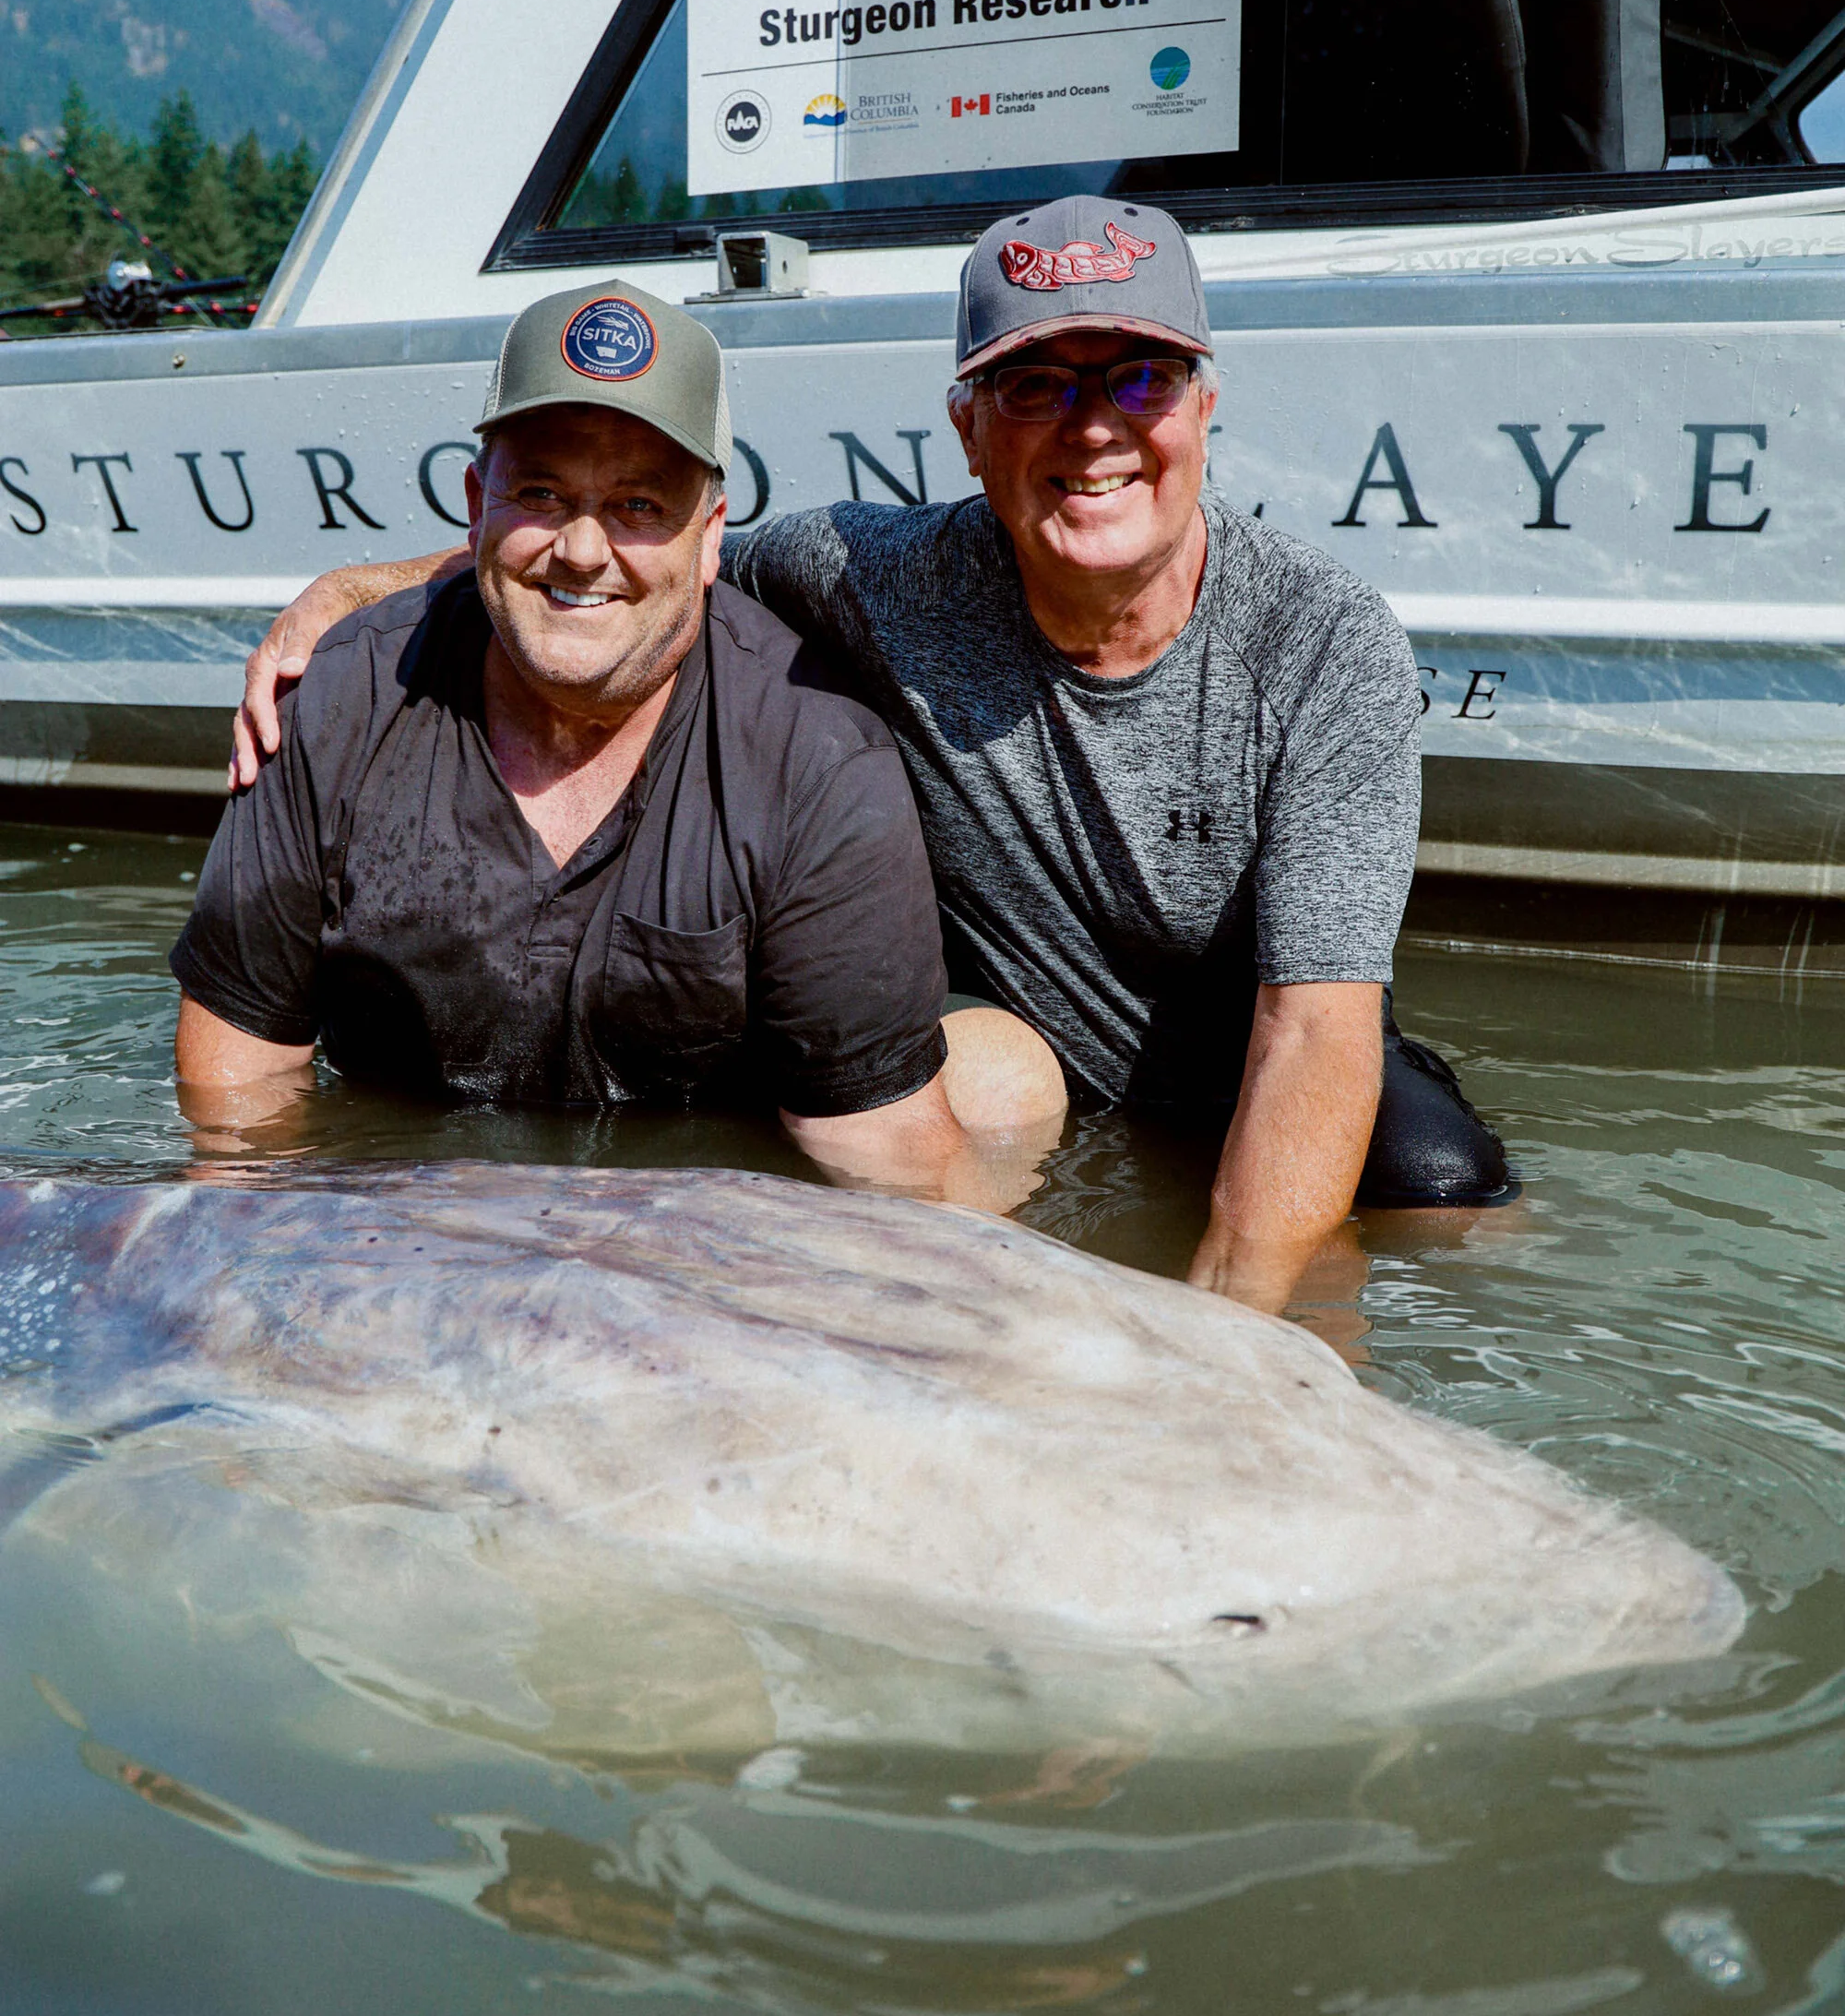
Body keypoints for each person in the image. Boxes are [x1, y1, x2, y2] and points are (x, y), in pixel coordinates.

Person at [232, 198, 1510, 1304]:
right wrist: (381, 589)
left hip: (1263, 1044)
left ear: (1204, 407)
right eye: (1035, 386)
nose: (1093, 429)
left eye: (1138, 378)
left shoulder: (1327, 642)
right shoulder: (867, 572)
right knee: (940, 1106)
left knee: (1437, 1195)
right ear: (966, 429)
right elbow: (636, 551)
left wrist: (1225, 1343)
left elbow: (1311, 1034)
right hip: (1020, 1058)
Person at [175, 279, 1055, 1196]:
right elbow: (233, 1091)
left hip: (702, 1203)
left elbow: (882, 1157)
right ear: (478, 504)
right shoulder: (342, 694)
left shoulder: (818, 758)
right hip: (403, 1205)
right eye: (543, 494)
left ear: (710, 536)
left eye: (639, 505)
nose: (583, 551)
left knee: (995, 1084)